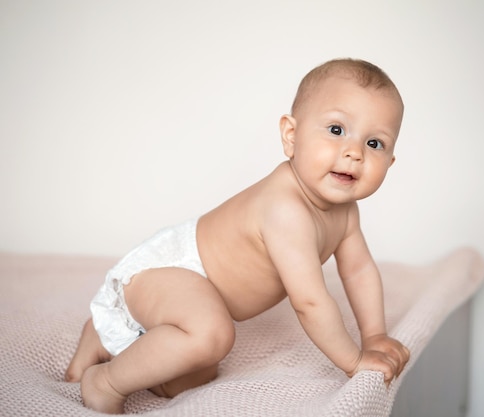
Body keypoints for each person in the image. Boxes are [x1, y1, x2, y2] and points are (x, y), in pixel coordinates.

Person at [64, 58, 411, 414]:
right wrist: (354, 361)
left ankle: (107, 337)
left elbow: (358, 272)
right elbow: (310, 302)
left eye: (374, 143)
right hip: (173, 270)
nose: (354, 152)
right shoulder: (285, 209)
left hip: (199, 293)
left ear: (390, 162)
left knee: (189, 376)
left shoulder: (346, 212)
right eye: (337, 130)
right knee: (211, 335)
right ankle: (104, 381)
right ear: (291, 136)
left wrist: (375, 336)